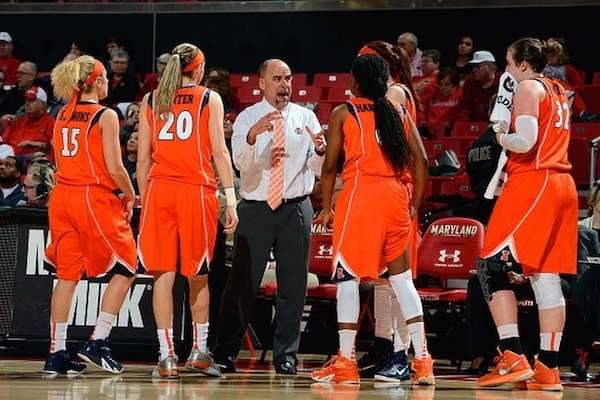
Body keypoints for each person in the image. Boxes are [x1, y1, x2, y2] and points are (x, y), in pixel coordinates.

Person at [310, 54, 432, 385]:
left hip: (362, 196)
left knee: (347, 279)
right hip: (396, 198)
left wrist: (324, 205)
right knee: (402, 281)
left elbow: (330, 165)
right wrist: (415, 201)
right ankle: (422, 361)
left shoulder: (344, 112)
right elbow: (421, 160)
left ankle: (346, 362)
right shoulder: (398, 110)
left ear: (355, 81)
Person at [475, 37, 578, 391]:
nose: (505, 69)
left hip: (535, 182)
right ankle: (547, 368)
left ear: (522, 64)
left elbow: (527, 140)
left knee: (489, 265)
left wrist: (501, 135)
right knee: (544, 276)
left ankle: (512, 353)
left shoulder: (528, 88)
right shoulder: (558, 89)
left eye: (507, 62)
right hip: (563, 184)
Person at [212, 58, 326, 375]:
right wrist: (251, 137)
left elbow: (318, 171)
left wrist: (319, 151)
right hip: (257, 207)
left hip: (296, 206)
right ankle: (224, 353)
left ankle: (285, 356)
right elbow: (240, 164)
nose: (284, 84)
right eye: (277, 78)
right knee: (241, 285)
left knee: (294, 286)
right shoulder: (247, 118)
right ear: (262, 83)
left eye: (287, 78)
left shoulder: (307, 118)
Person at [136, 42, 239, 379]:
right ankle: (198, 351)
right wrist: (230, 198)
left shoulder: (151, 99)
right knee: (198, 275)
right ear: (199, 69)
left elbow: (142, 159)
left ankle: (166, 357)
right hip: (195, 190)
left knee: (162, 276)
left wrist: (145, 198)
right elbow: (221, 153)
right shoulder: (209, 98)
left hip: (158, 190)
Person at [43, 55, 138, 376]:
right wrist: (130, 193)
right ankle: (98, 341)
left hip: (62, 197)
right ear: (96, 82)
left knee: (66, 276)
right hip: (90, 196)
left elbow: (57, 159)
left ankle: (56, 353)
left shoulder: (61, 112)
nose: (109, 81)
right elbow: (115, 168)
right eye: (105, 77)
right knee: (127, 267)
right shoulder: (105, 115)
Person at [355, 40, 423, 382]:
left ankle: (401, 353)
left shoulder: (393, 97)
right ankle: (383, 347)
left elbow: (407, 155)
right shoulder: (398, 92)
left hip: (394, 192)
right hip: (394, 192)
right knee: (384, 282)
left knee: (397, 282)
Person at [543, 37, 598, 123]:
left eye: (553, 54)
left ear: (560, 55)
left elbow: (580, 88)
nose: (550, 56)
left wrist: (565, 86)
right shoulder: (540, 67)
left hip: (562, 97)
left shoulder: (566, 69)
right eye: (548, 54)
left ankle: (582, 114)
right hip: (544, 94)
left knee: (560, 85)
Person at [1, 86, 55, 163]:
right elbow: (3, 140)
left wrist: (38, 144)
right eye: (26, 101)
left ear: (43, 104)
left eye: (31, 100)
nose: (27, 104)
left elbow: (55, 145)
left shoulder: (50, 123)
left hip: (30, 159)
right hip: (9, 157)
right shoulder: (19, 121)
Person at [456, 51, 501, 123]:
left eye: (478, 66)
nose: (474, 70)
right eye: (473, 67)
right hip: (474, 126)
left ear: (489, 66)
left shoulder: (503, 80)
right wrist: (459, 126)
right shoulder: (470, 82)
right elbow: (464, 109)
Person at [417, 67, 463, 138]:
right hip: (430, 130)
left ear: (455, 85)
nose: (443, 87)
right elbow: (421, 110)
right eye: (441, 85)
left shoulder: (461, 95)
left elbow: (462, 114)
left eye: (447, 84)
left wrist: (451, 123)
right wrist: (422, 120)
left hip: (449, 130)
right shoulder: (434, 94)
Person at [122, 129, 138, 195]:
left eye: (136, 139)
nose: (131, 141)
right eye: (130, 138)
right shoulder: (119, 161)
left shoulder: (148, 165)